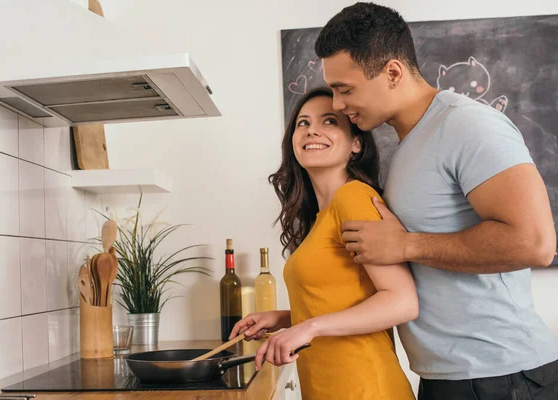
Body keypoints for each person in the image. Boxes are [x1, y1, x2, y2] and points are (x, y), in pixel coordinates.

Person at [313, 3, 558, 400]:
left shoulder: (467, 124)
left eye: (345, 89)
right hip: (446, 378)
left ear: (392, 72)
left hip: (503, 377)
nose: (337, 104)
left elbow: (535, 243)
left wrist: (406, 245)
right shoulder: (406, 145)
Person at [230, 87, 417, 400]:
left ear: (356, 143)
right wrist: (284, 318)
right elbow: (342, 298)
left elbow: (402, 301)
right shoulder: (321, 217)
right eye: (302, 123)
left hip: (366, 387)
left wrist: (307, 329)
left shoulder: (353, 197)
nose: (311, 129)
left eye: (329, 121)